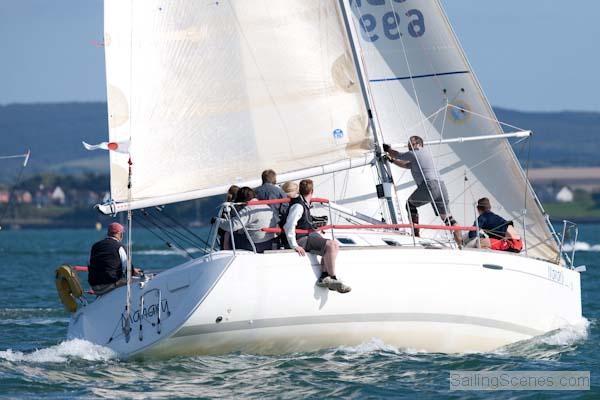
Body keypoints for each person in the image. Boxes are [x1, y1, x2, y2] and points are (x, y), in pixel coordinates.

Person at [384, 137, 462, 246]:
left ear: (418, 144)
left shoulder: (415, 152)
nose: (409, 144)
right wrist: (391, 160)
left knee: (410, 205)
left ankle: (416, 235)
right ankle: (460, 244)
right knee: (447, 217)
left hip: (430, 185)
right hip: (441, 187)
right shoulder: (424, 155)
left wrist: (387, 148)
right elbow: (406, 165)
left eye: (411, 142)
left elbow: (397, 154)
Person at [283, 179, 351, 293]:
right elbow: (289, 225)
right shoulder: (298, 206)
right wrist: (294, 245)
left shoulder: (303, 203)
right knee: (331, 245)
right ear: (312, 191)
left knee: (332, 244)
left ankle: (324, 276)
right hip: (301, 239)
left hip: (307, 235)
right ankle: (333, 278)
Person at [220, 187, 279, 253]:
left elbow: (233, 226)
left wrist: (218, 221)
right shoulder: (266, 207)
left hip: (256, 245)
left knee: (230, 235)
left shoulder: (248, 210)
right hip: (270, 242)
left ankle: (227, 253)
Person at [88, 222, 141, 295]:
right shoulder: (120, 247)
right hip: (108, 285)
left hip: (94, 287)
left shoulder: (95, 246)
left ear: (108, 233)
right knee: (140, 281)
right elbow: (128, 270)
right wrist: (133, 271)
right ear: (120, 234)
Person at [218, 185, 239, 250]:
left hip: (228, 240)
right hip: (239, 238)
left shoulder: (226, 208)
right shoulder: (243, 206)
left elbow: (220, 230)